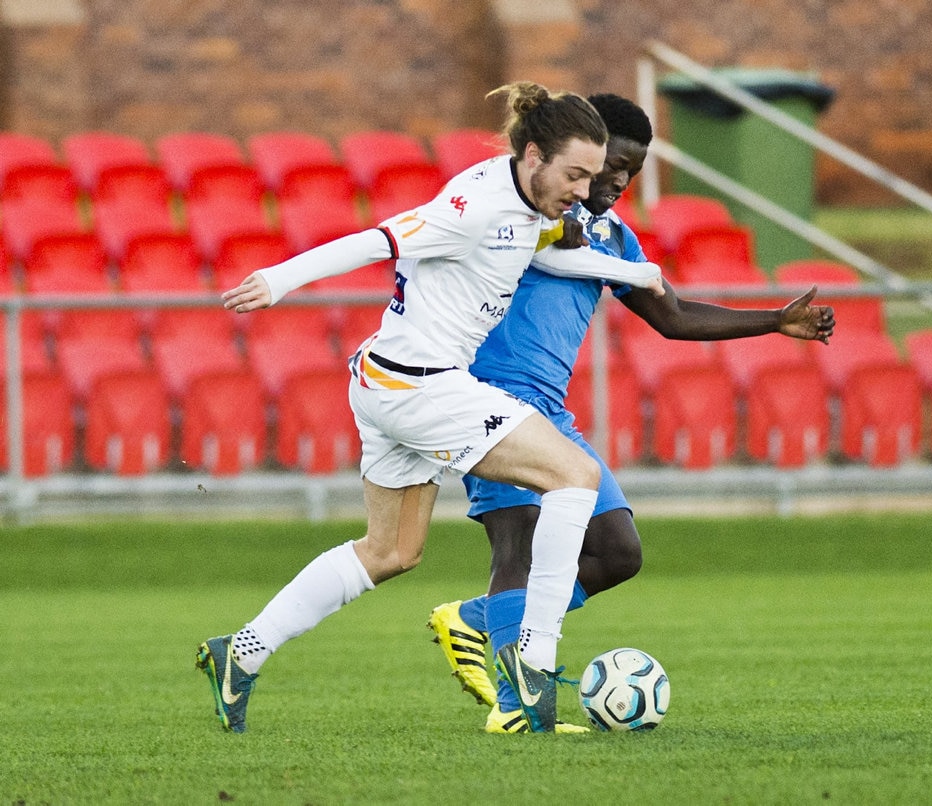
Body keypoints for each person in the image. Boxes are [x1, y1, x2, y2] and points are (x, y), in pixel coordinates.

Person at [196, 81, 668, 734]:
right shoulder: (474, 204)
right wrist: (278, 280)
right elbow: (376, 240)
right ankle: (533, 668)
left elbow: (556, 254)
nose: (585, 193)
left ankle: (239, 652)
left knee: (390, 552)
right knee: (575, 477)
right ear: (533, 156)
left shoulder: (538, 205)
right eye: (577, 175)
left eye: (594, 177)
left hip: (387, 381)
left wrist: (635, 273)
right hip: (418, 385)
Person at [426, 93, 835, 733]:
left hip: (549, 410)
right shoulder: (526, 215)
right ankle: (515, 709)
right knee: (521, 542)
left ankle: (479, 619)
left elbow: (670, 315)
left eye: (631, 172)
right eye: (608, 166)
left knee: (617, 552)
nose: (616, 182)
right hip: (488, 398)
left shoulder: (614, 236)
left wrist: (774, 321)